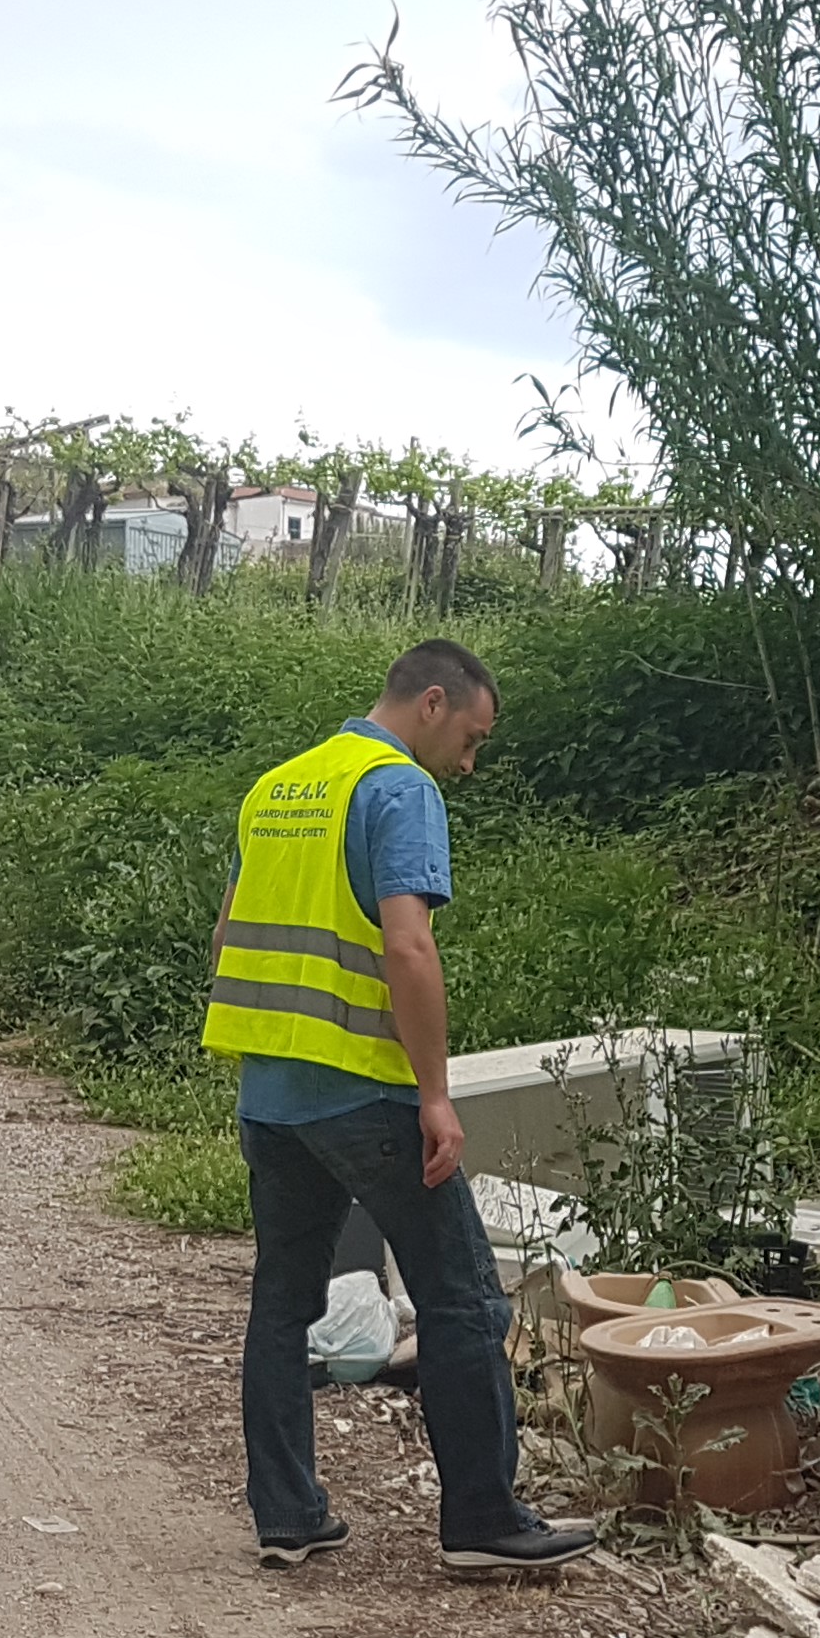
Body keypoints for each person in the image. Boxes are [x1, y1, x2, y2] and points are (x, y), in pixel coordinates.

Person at [202, 640, 597, 1575]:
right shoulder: (397, 789)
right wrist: (434, 1096)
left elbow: (227, 936)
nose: (470, 761)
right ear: (432, 704)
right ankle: (483, 1520)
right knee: (463, 1298)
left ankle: (288, 1516)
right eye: (472, 737)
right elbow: (408, 947)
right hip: (365, 1093)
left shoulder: (278, 789)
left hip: (271, 1097)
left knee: (282, 1304)